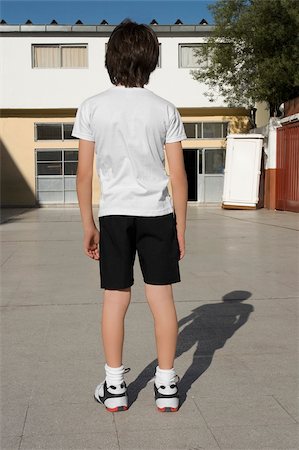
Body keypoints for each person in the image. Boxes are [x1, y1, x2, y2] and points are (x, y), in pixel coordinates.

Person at [71, 19, 188, 413]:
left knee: (115, 300)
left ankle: (116, 386)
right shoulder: (165, 109)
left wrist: (89, 224)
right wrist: (181, 228)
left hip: (115, 216)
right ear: (151, 60)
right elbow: (178, 175)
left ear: (111, 58)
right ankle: (168, 386)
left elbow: (84, 173)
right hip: (157, 215)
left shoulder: (92, 107)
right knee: (163, 301)